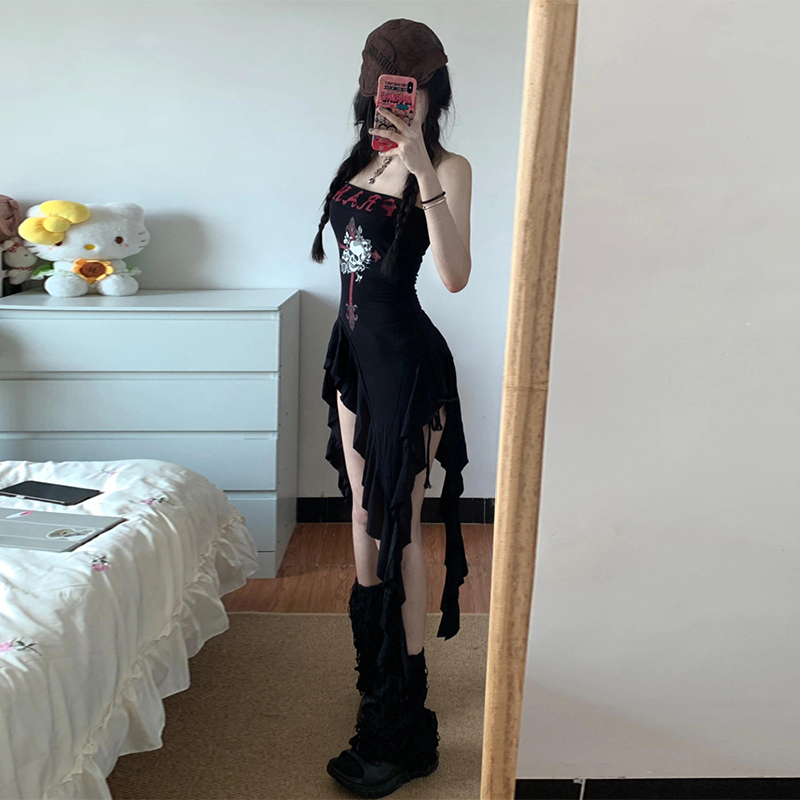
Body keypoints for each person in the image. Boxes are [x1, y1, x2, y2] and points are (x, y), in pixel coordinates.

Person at [310, 18, 472, 798]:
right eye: (384, 82)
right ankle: (378, 680)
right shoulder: (358, 158)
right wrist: (388, 157)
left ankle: (404, 724)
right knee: (360, 516)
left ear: (431, 88)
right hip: (353, 356)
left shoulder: (446, 166)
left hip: (405, 363)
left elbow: (455, 276)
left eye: (409, 83)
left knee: (398, 525)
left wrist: (421, 169)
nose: (395, 96)